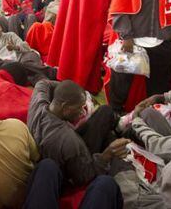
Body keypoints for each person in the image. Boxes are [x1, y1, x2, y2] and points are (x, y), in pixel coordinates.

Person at [27, 79, 127, 207]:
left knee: (104, 114)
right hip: (70, 171)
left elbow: (42, 83)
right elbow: (84, 176)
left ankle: (116, 129)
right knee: (106, 113)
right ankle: (120, 128)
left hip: (53, 152)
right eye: (79, 107)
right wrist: (105, 155)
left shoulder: (38, 105)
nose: (82, 111)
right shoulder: (70, 140)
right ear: (65, 108)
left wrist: (75, 92)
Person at [0, 20, 56, 84]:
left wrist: (14, 47)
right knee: (28, 74)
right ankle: (48, 84)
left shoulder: (10, 35)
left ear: (1, 28)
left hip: (23, 55)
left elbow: (26, 46)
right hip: (13, 64)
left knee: (27, 65)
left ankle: (53, 72)